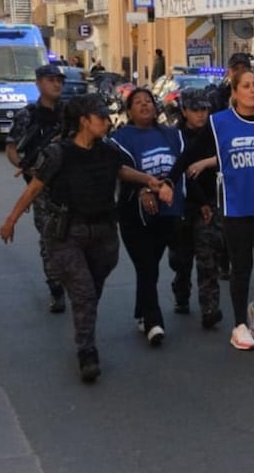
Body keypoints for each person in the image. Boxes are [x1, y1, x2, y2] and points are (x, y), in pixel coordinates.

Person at [0, 94, 172, 382]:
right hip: (68, 234)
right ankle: (86, 351)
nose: (106, 121)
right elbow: (34, 188)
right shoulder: (59, 153)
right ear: (84, 121)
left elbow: (122, 171)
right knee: (84, 293)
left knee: (91, 291)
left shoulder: (106, 150)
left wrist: (149, 180)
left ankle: (84, 321)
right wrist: (11, 220)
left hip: (104, 233)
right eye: (100, 117)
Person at [171, 69, 254, 350]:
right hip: (235, 205)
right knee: (241, 268)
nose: (253, 90)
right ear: (235, 92)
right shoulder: (220, 123)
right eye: (246, 86)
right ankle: (239, 325)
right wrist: (169, 179)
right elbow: (190, 154)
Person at [110, 88, 186, 346]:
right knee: (145, 264)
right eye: (137, 103)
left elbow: (181, 166)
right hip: (134, 213)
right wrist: (144, 187)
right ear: (129, 111)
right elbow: (119, 171)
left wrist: (169, 188)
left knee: (150, 265)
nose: (144, 106)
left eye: (148, 102)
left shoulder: (171, 134)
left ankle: (140, 311)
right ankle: (154, 322)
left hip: (166, 212)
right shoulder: (120, 137)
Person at [5, 64, 68, 313]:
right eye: (51, 80)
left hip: (70, 183)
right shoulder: (27, 115)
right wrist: (26, 166)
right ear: (39, 83)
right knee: (49, 238)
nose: (57, 84)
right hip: (41, 188)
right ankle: (55, 287)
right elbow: (11, 148)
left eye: (59, 80)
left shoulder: (70, 112)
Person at [168, 88, 224, 329]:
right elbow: (178, 173)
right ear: (184, 111)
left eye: (205, 109)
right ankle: (181, 291)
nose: (201, 114)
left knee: (208, 258)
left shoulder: (215, 135)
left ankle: (210, 307)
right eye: (196, 110)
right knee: (181, 259)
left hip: (209, 204)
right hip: (184, 205)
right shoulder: (175, 138)